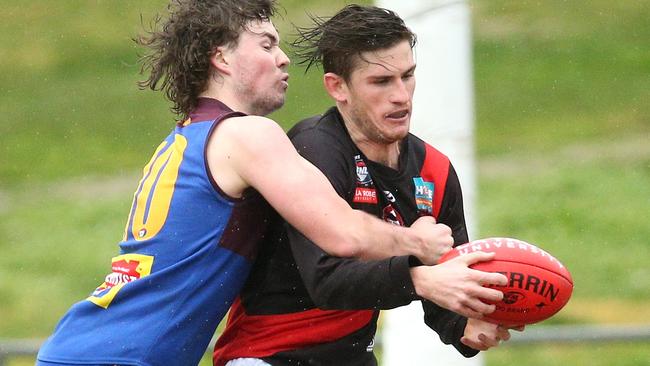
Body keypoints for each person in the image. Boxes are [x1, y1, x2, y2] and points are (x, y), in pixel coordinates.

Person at [35, 2, 458, 365]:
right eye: (267, 44)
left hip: (89, 346)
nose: (284, 58)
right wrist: (417, 244)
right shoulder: (248, 135)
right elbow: (343, 234)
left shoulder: (192, 135)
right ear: (221, 58)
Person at [213, 5, 522, 366]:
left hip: (353, 357)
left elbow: (447, 276)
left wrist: (465, 321)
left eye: (408, 76)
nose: (402, 96)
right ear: (337, 87)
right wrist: (418, 276)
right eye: (381, 81)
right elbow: (326, 281)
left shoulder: (434, 170)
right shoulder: (313, 150)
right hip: (269, 356)